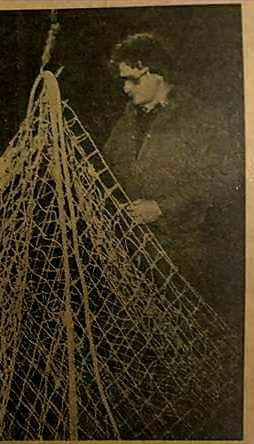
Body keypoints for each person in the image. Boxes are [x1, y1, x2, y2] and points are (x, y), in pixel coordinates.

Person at [104, 33, 243, 437]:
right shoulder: (126, 119)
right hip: (132, 252)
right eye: (122, 81)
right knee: (136, 343)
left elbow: (222, 180)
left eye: (132, 80)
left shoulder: (201, 118)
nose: (125, 89)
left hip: (183, 252)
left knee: (184, 343)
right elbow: (107, 167)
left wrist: (163, 207)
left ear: (156, 74)